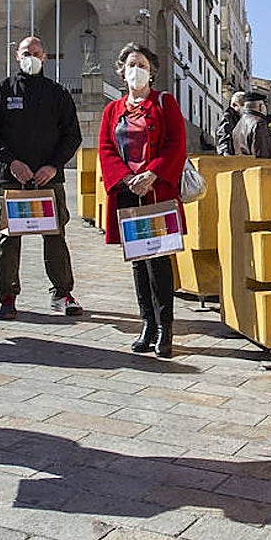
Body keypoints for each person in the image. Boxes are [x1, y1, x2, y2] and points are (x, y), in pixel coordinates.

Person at [0, 35, 83, 320]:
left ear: (46, 57)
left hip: (49, 179)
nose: (31, 56)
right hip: (12, 179)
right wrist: (11, 162)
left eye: (37, 52)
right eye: (26, 52)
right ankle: (7, 296)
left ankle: (62, 293)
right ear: (16, 56)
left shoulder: (58, 94)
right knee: (9, 238)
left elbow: (72, 135)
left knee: (55, 235)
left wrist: (53, 166)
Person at [97, 43, 187, 358]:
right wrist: (124, 178)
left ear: (152, 72)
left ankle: (165, 327)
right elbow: (106, 148)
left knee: (159, 261)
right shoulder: (112, 110)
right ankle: (147, 322)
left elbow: (177, 143)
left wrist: (153, 174)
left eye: (143, 65)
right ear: (121, 71)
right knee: (137, 260)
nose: (137, 70)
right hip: (127, 194)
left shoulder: (165, 103)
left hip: (155, 192)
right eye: (132, 64)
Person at [232, 91, 271, 158]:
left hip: (244, 167)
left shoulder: (237, 127)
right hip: (261, 167)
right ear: (261, 107)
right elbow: (264, 156)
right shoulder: (259, 123)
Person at [215, 90, 245, 155]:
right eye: (243, 105)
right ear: (235, 105)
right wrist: (227, 157)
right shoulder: (227, 117)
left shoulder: (237, 117)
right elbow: (224, 139)